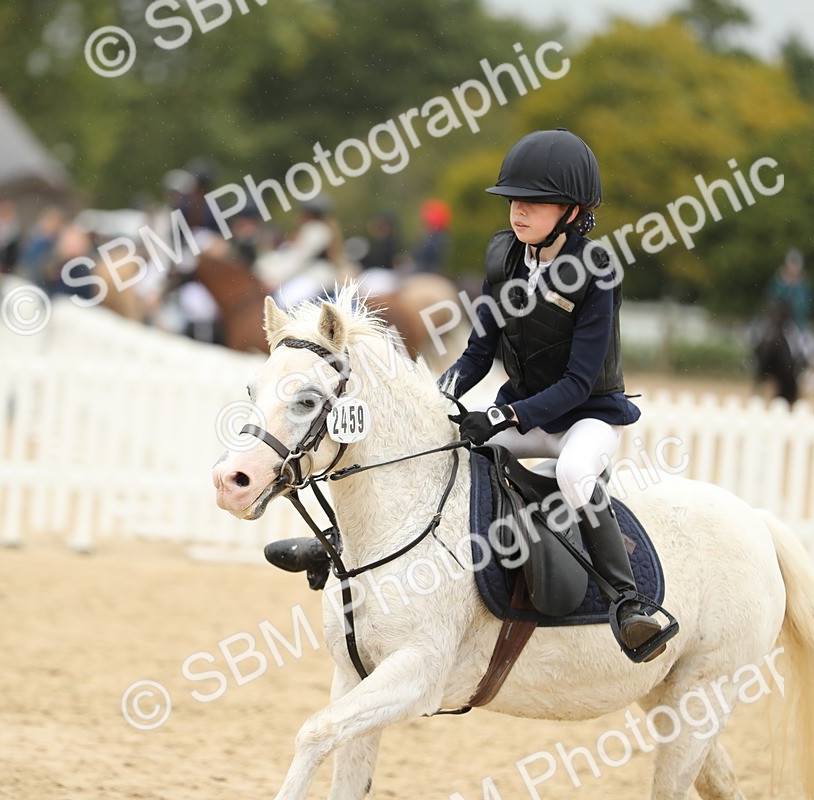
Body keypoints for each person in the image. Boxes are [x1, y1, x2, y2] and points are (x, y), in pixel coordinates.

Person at [264, 129, 668, 662]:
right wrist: (438, 400)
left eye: (533, 202)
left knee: (573, 474)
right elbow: (479, 351)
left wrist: (501, 415)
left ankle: (628, 602)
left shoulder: (597, 272)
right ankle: (337, 544)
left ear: (572, 211)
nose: (518, 212)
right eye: (514, 201)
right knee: (433, 450)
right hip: (524, 413)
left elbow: (576, 383)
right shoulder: (504, 256)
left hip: (586, 419)